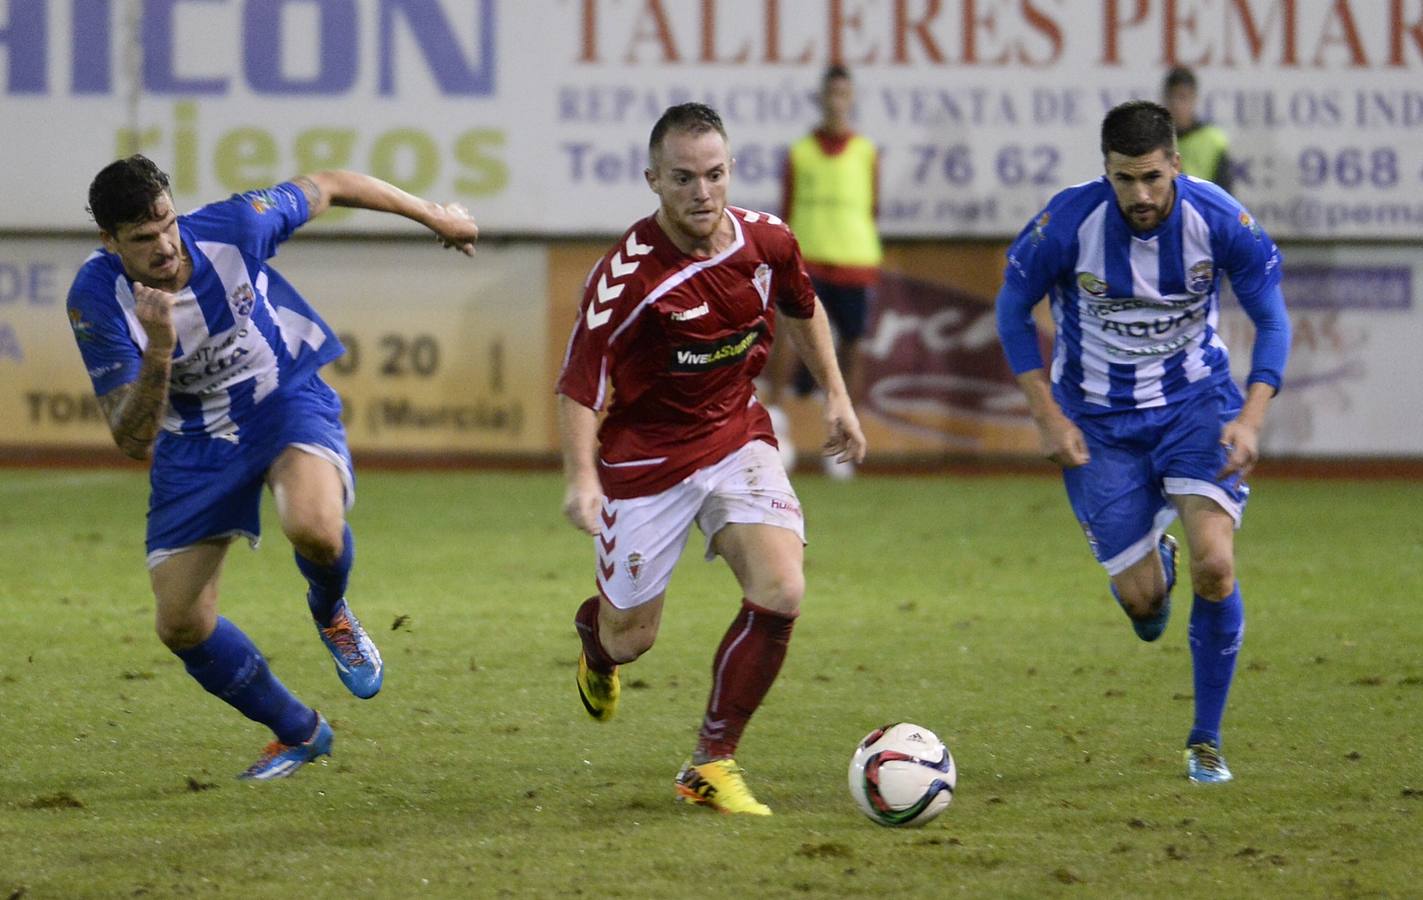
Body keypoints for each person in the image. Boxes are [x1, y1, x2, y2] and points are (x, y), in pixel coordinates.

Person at [66, 155, 479, 780]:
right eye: (142, 239)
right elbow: (131, 437)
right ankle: (299, 731)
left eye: (167, 225)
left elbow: (334, 185)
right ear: (110, 242)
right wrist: (158, 347)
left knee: (313, 526)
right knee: (181, 623)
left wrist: (434, 216)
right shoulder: (95, 299)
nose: (164, 246)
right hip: (195, 440)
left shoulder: (235, 226)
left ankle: (330, 610)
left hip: (280, 396)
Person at [556, 103, 867, 815]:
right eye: (684, 178)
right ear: (653, 181)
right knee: (632, 637)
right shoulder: (625, 279)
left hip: (734, 436)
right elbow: (578, 387)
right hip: (644, 465)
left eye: (715, 174)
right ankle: (597, 646)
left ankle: (711, 762)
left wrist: (838, 399)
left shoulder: (765, 241)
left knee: (782, 588)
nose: (703, 192)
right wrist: (581, 481)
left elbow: (801, 305)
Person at [994, 101, 1290, 784]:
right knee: (1143, 609)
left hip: (1196, 407)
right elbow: (1011, 308)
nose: (1141, 195)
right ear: (1105, 170)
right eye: (1124, 179)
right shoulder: (1067, 222)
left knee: (1215, 565)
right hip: (1095, 424)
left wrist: (1249, 416)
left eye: (1153, 177)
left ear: (1175, 165)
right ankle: (1151, 557)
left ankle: (1204, 740)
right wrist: (1044, 414)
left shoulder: (1218, 220)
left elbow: (1272, 319)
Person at [765, 64, 882, 479]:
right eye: (830, 93)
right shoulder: (800, 152)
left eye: (843, 93)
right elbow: (788, 206)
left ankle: (841, 430)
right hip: (808, 258)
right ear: (822, 98)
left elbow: (871, 208)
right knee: (787, 338)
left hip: (854, 260)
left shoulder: (866, 152)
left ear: (851, 98)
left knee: (851, 344)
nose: (837, 101)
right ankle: (775, 424)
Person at [1163, 66, 1233, 192]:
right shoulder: (1155, 140)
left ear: (1194, 99)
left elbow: (1224, 193)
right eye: (1171, 97)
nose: (1176, 105)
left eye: (1183, 97)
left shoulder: (1213, 141)